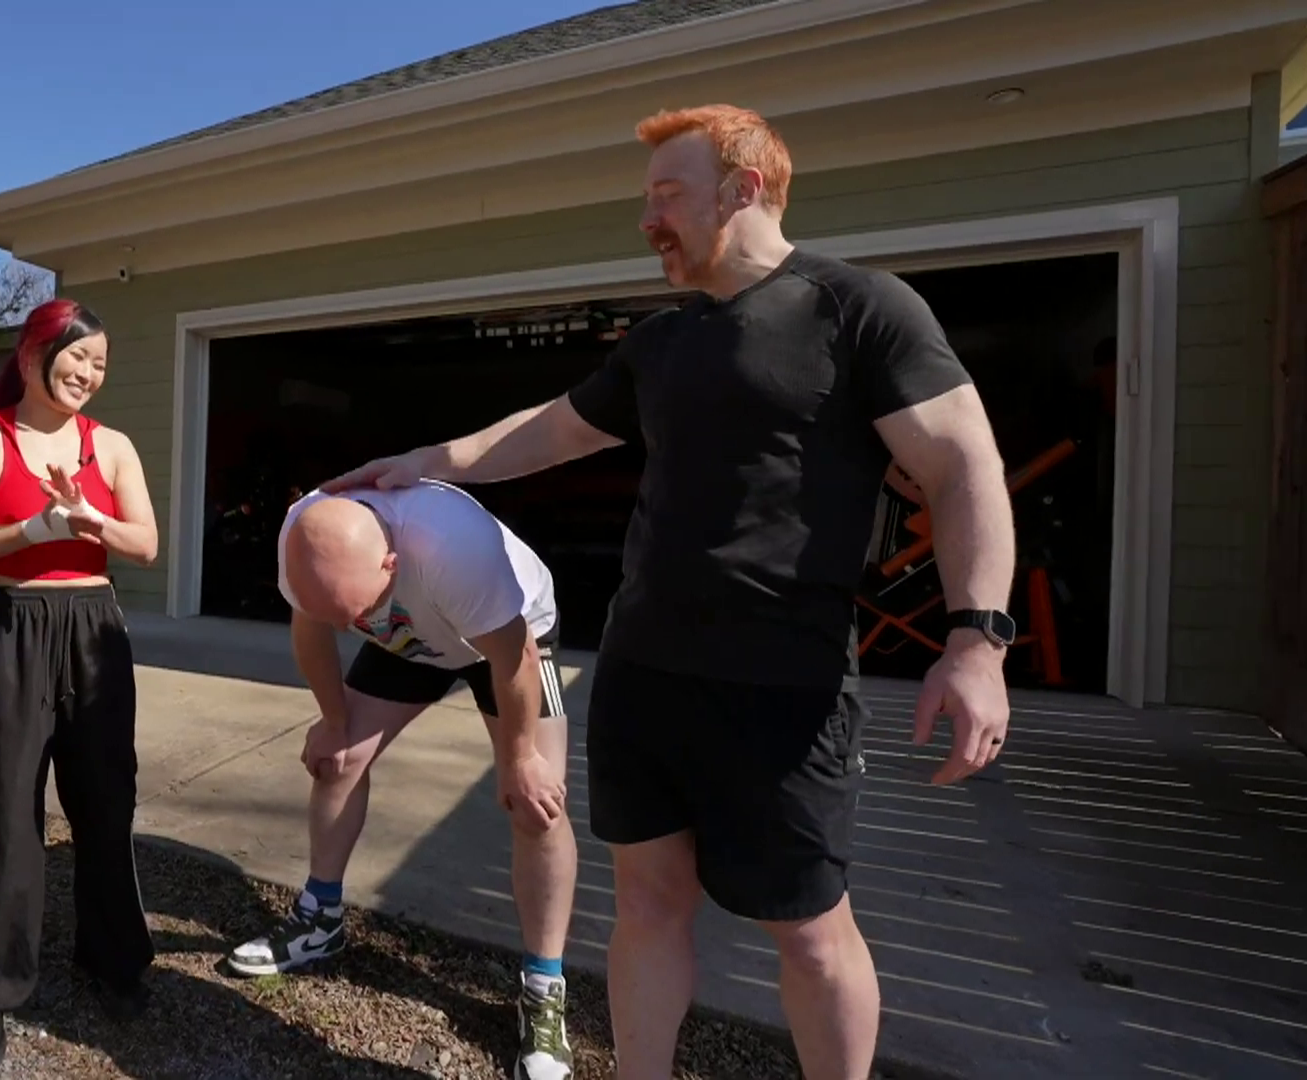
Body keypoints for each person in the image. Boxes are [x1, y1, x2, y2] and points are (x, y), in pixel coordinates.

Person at [322, 105, 1018, 1080]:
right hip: (644, 674)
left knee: (811, 932)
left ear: (743, 190)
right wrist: (427, 462)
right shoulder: (661, 341)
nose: (647, 219)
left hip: (784, 687)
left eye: (666, 195)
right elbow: (551, 429)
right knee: (647, 904)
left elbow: (962, 465)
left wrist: (977, 641)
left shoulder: (859, 308)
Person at [224, 480, 578, 1080]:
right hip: (410, 636)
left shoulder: (456, 546)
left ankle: (543, 990)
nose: (348, 626)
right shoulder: (305, 536)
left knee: (536, 806)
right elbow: (310, 630)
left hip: (509, 639)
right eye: (343, 618)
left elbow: (514, 657)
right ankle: (320, 920)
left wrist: (520, 759)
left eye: (354, 614)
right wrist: (334, 722)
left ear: (391, 562)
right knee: (338, 761)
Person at [0, 299, 160, 1074]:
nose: (88, 373)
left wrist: (87, 518)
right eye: (77, 357)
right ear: (33, 355)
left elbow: (146, 545)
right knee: (1, 806)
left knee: (106, 800)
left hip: (94, 627)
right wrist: (31, 530)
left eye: (100, 363)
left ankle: (114, 960)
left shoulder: (112, 446)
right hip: (12, 625)